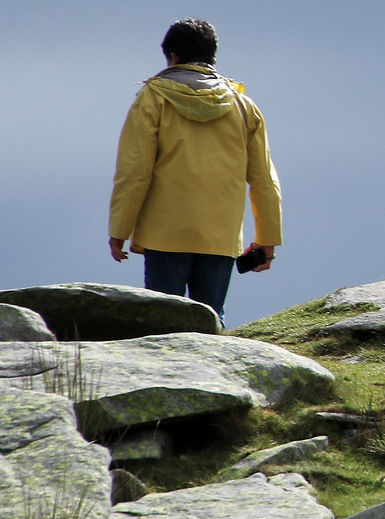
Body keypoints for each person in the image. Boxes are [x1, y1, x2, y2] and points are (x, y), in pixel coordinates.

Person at [108, 19, 282, 320]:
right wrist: (267, 238)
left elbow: (135, 172)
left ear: (172, 57)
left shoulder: (153, 99)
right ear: (212, 56)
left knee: (163, 322)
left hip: (164, 233)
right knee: (211, 321)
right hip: (221, 235)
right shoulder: (243, 105)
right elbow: (264, 180)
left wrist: (119, 230)